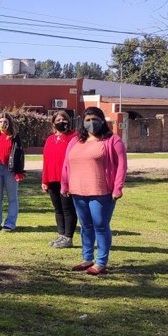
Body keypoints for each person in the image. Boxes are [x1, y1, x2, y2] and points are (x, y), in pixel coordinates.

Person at [61, 107, 127, 275]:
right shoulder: (75, 141)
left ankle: (101, 262)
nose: (91, 123)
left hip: (102, 191)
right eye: (88, 120)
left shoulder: (113, 140)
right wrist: (65, 184)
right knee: (85, 226)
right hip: (78, 191)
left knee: (101, 226)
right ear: (82, 122)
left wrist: (117, 188)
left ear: (102, 120)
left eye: (95, 119)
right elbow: (66, 164)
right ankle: (87, 258)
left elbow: (121, 166)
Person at [41, 110, 78, 248]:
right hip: (52, 179)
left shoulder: (74, 137)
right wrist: (44, 181)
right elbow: (46, 161)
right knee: (58, 209)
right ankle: (61, 235)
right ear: (53, 123)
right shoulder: (50, 139)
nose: (61, 122)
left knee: (68, 208)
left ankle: (68, 237)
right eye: (58, 120)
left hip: (67, 179)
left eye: (64, 119)